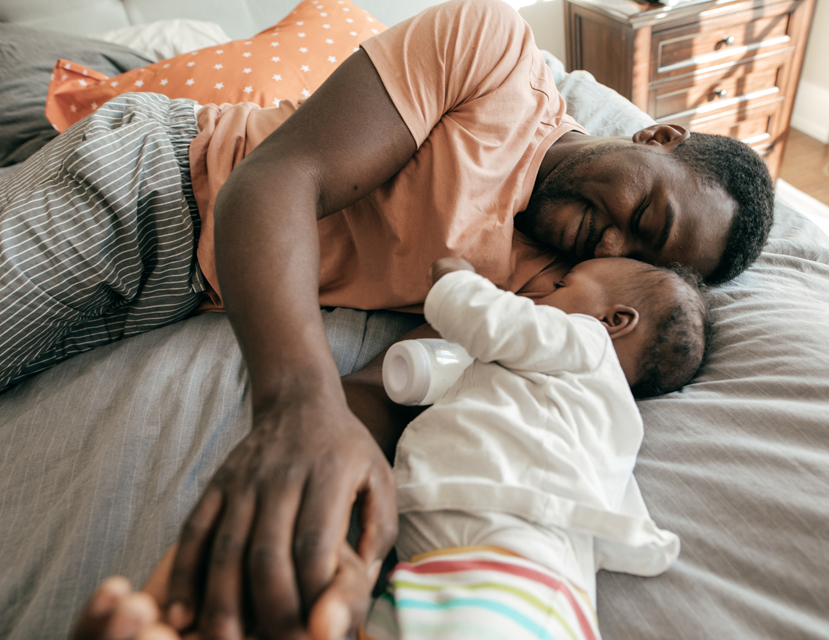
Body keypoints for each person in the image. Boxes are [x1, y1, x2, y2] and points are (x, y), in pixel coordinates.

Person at [0, 0, 773, 636]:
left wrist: (343, 534)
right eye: (646, 209)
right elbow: (277, 182)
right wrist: (296, 405)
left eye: (639, 251)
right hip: (152, 187)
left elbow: (390, 387)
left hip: (180, 296)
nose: (611, 239)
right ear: (657, 137)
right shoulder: (492, 54)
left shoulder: (557, 287)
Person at [70, 254, 708, 640]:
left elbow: (495, 323)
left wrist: (457, 279)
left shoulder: (585, 343)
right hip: (447, 571)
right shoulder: (565, 404)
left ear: (614, 320)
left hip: (513, 570)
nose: (539, 295)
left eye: (562, 286)